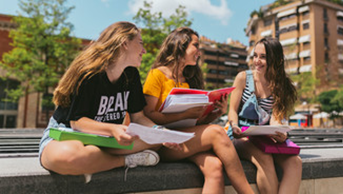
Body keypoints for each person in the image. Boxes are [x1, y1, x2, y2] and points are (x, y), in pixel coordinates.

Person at [39, 21, 179, 180]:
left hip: (105, 141)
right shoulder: (89, 74)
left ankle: (98, 159)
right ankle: (125, 161)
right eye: (140, 43)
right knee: (70, 157)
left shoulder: (131, 75)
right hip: (68, 135)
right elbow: (77, 122)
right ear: (124, 43)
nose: (144, 50)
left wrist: (161, 132)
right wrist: (113, 129)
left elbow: (138, 117)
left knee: (155, 141)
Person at [143, 27, 255, 194]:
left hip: (187, 139)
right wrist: (184, 114)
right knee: (217, 132)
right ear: (181, 45)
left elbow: (196, 123)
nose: (199, 52)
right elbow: (148, 115)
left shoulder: (189, 80)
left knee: (215, 167)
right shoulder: (156, 75)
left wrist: (216, 113)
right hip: (164, 143)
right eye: (196, 46)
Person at [227, 37, 302, 194]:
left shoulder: (280, 85)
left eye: (263, 57)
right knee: (264, 158)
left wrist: (278, 133)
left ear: (275, 59)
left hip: (264, 137)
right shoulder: (243, 78)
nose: (257, 61)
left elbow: (275, 117)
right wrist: (234, 126)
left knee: (295, 162)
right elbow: (232, 110)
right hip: (240, 135)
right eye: (255, 56)